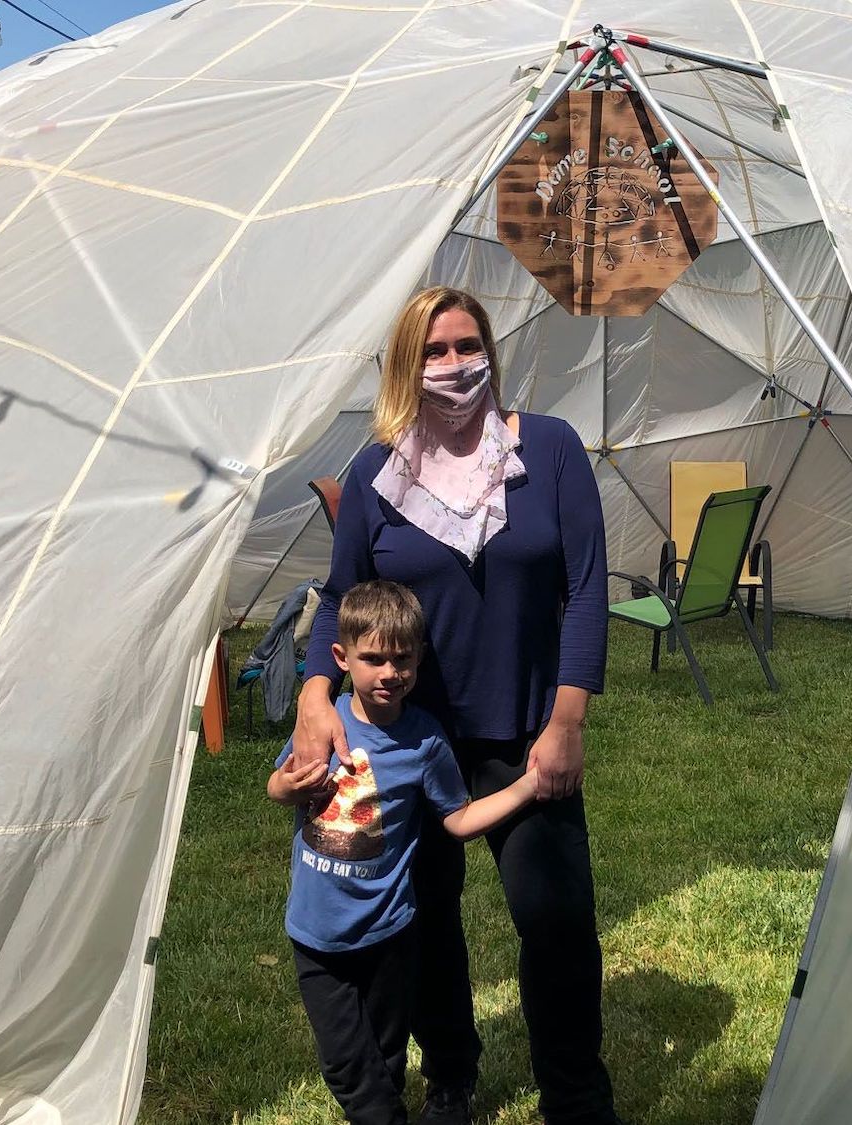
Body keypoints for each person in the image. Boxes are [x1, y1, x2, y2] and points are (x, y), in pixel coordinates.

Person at [290, 286, 620, 1125]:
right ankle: (450, 1073)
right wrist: (312, 694)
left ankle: (575, 1097)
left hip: (525, 730)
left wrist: (569, 718)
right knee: (424, 924)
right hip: (411, 743)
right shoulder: (377, 472)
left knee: (556, 924)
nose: (454, 363)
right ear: (407, 362)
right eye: (433, 350)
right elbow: (339, 597)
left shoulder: (547, 450)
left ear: (490, 351)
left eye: (467, 344)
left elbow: (584, 588)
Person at [269, 579, 540, 1125]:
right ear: (342, 658)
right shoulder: (322, 724)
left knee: (386, 1055)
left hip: (390, 935)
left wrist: (528, 786)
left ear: (419, 659)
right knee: (348, 1065)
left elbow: (459, 819)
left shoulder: (425, 741)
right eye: (373, 660)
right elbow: (278, 784)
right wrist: (288, 788)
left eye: (402, 660)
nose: (389, 674)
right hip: (317, 935)